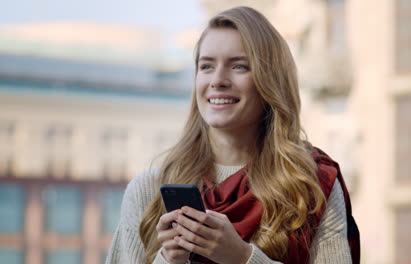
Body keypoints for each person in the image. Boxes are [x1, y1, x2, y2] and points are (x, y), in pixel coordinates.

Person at [106, 6, 360, 264]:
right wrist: (169, 259)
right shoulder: (147, 192)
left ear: (269, 81)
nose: (217, 80)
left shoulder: (311, 184)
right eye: (206, 66)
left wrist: (241, 257)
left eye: (238, 66)